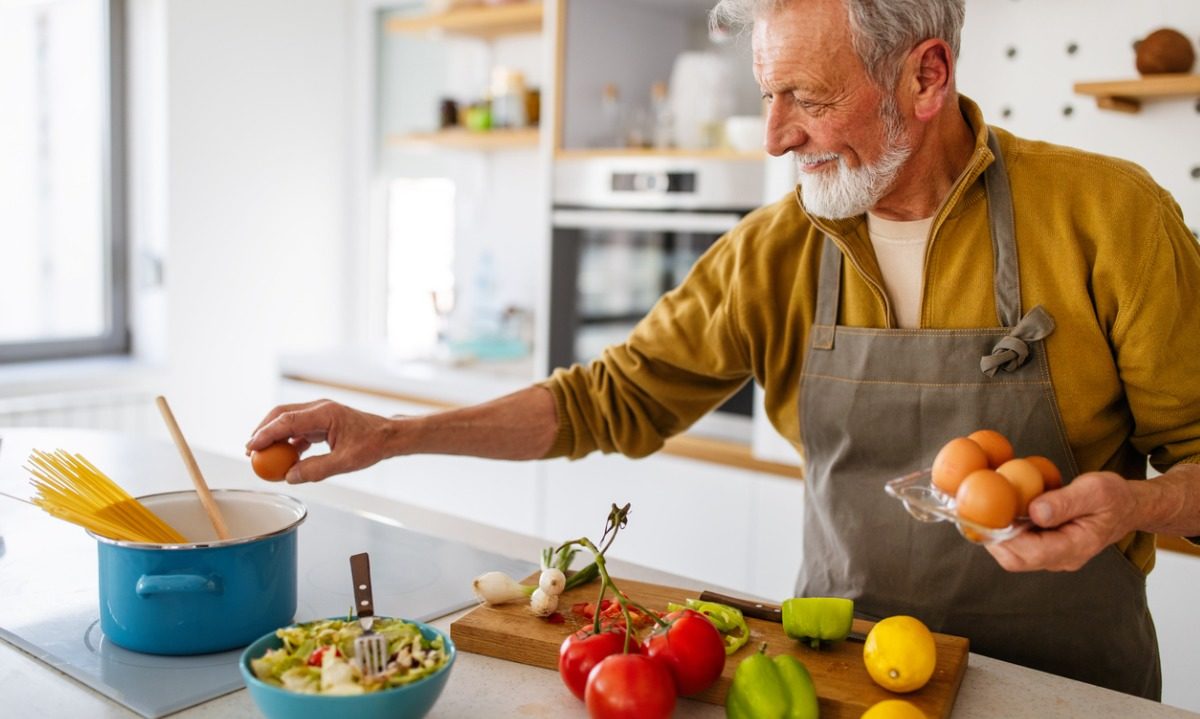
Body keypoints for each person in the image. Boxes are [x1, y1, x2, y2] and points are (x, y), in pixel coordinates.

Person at [247, 0, 1200, 699]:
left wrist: (1138, 504)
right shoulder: (776, 248)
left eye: (806, 97)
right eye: (765, 94)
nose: (777, 135)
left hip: (1070, 691)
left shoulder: (1111, 218)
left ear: (926, 76)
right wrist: (396, 434)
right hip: (836, 680)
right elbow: (604, 399)